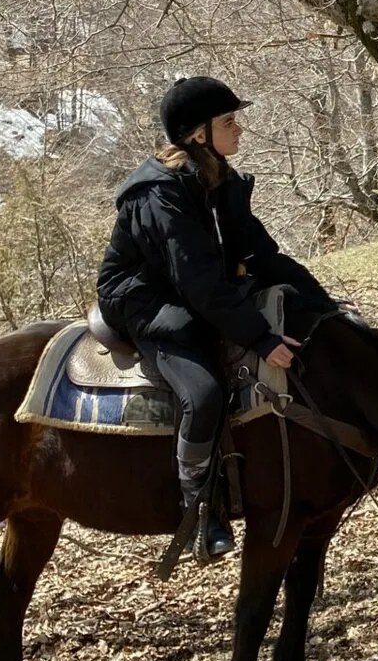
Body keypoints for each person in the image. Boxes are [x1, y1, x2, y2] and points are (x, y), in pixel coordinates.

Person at [97, 77, 335, 561]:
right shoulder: (156, 194)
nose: (239, 129)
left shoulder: (220, 180)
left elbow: (265, 256)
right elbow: (197, 281)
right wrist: (262, 339)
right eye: (229, 122)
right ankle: (199, 508)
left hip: (192, 295)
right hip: (148, 304)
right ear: (198, 134)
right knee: (204, 393)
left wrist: (326, 306)